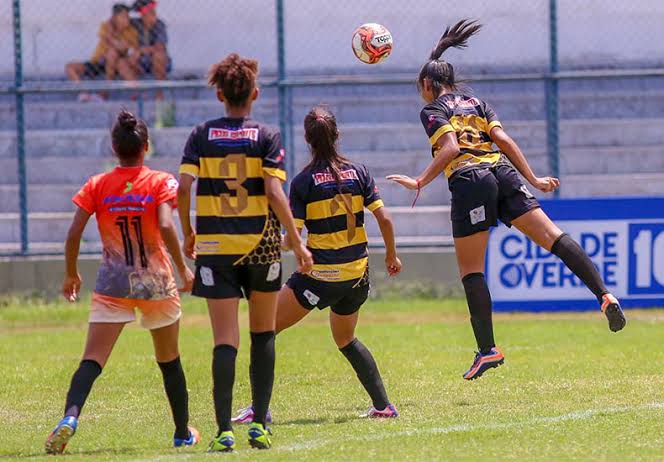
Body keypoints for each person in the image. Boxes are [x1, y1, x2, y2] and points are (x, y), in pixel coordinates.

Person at [387, 20, 626, 381]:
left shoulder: (433, 110)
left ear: (426, 85)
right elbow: (504, 140)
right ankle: (604, 295)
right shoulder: (478, 103)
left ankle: (488, 350)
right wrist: (534, 178)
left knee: (472, 270)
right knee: (554, 238)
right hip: (503, 171)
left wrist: (420, 179)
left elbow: (451, 147)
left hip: (472, 180)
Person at [231, 107, 402, 426]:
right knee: (345, 339)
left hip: (318, 278)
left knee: (264, 330)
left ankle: (259, 410)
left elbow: (291, 238)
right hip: (356, 277)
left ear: (307, 140)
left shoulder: (304, 181)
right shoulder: (360, 172)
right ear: (337, 135)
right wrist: (392, 256)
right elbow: (385, 218)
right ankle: (383, 406)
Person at [177, 53, 313, 452]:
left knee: (224, 339)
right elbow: (273, 192)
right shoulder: (266, 136)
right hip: (261, 246)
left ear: (219, 94)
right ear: (254, 94)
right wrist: (298, 240)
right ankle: (259, 425)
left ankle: (223, 431)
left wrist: (189, 233)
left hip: (216, 247)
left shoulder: (201, 134)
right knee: (262, 333)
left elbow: (182, 189)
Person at [44, 110, 199, 454]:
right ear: (146, 146)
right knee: (169, 359)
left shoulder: (97, 185)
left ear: (114, 148)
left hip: (113, 280)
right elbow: (166, 225)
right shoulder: (160, 181)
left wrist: (71, 272)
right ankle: (181, 433)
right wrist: (183, 269)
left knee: (92, 360)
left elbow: (73, 233)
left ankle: (70, 418)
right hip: (154, 280)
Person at [65, 3, 138, 100]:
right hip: (99, 62)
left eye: (128, 16)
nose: (127, 19)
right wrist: (116, 40)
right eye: (124, 16)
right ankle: (84, 93)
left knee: (112, 53)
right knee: (70, 67)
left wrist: (116, 43)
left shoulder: (131, 31)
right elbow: (109, 39)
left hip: (117, 64)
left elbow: (124, 49)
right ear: (115, 17)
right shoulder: (106, 26)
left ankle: (105, 92)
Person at [130, 0, 171, 83]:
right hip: (141, 61)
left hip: (157, 60)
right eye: (151, 12)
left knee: (158, 55)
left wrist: (141, 51)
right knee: (128, 59)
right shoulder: (136, 23)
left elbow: (160, 46)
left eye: (154, 12)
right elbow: (121, 22)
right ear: (143, 15)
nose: (154, 15)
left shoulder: (159, 24)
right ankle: (137, 89)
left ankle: (159, 93)